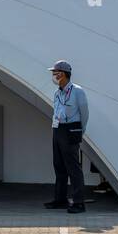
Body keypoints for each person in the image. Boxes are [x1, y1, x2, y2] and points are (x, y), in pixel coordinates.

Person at [44, 59, 89, 214]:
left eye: (55, 72)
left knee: (73, 168)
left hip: (71, 129)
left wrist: (79, 131)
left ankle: (79, 202)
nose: (53, 75)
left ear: (62, 74)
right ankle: (60, 199)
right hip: (58, 129)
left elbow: (85, 113)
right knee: (59, 166)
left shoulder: (77, 91)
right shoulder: (57, 92)